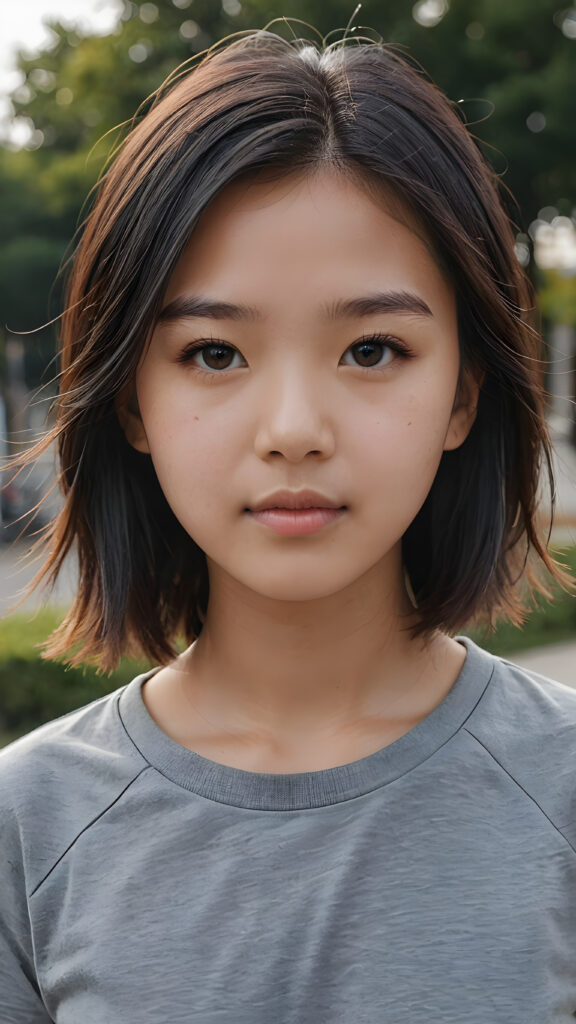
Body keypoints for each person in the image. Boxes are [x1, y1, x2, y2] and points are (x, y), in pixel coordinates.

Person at [1, 24, 576, 1024]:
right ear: (130, 400)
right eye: (216, 354)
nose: (295, 430)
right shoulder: (25, 823)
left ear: (463, 397)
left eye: (372, 349)